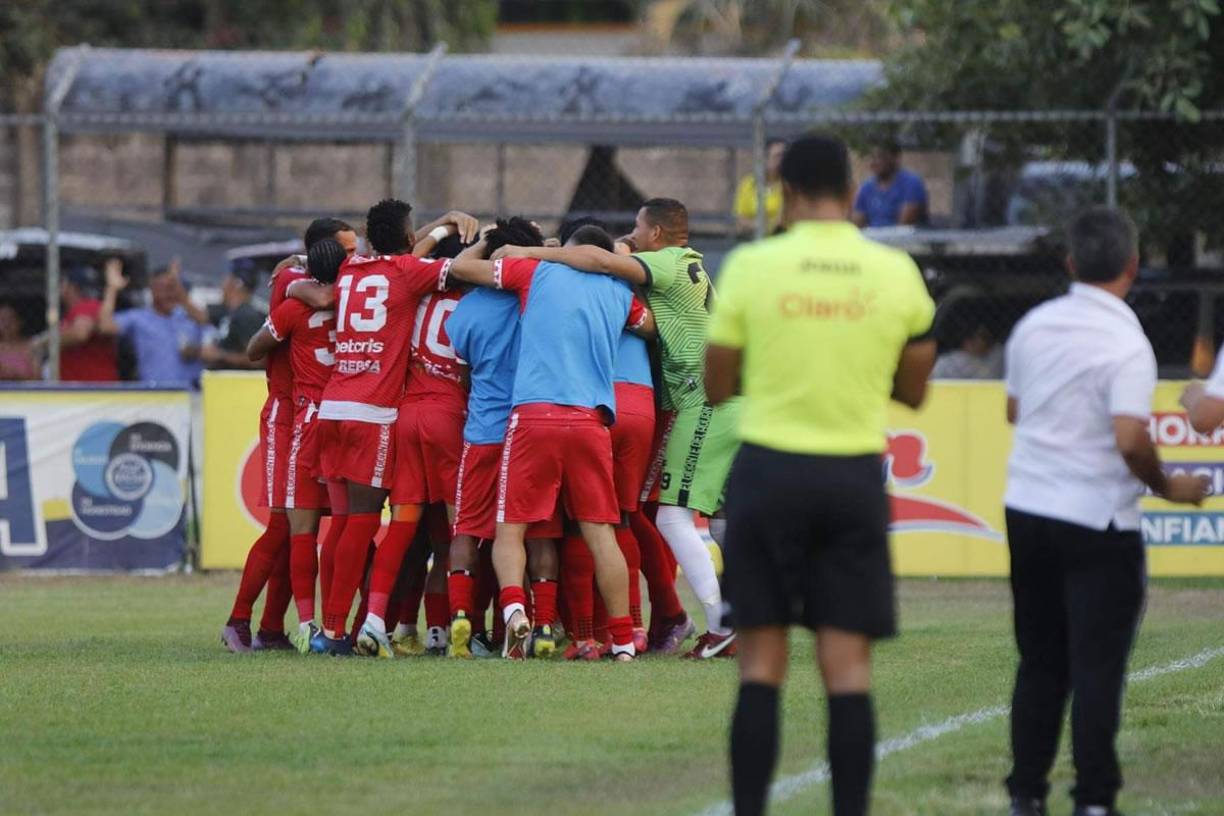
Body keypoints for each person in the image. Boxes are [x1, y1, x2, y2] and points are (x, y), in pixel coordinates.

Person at [706, 133, 938, 816]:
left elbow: (718, 384)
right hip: (852, 477)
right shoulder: (893, 269)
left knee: (759, 670)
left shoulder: (752, 264)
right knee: (848, 672)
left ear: (786, 192)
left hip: (767, 473)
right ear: (849, 188)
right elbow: (916, 385)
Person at [1002, 207, 1208, 816]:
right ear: (1133, 267)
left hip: (1029, 506)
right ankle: (1093, 799)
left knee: (1039, 661)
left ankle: (1027, 794)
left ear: (1070, 264)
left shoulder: (1034, 325)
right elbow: (1128, 437)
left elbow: (1016, 412)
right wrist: (1168, 485)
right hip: (1097, 515)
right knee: (1096, 666)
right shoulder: (1126, 341)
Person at [494, 198, 738, 659]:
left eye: (638, 228)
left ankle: (713, 623)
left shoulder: (654, 265)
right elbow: (628, 291)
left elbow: (601, 258)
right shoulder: (676, 270)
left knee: (657, 517)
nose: (632, 234)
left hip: (696, 398)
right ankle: (645, 630)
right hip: (671, 402)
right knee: (655, 517)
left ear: (658, 235)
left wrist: (534, 252)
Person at [450, 224, 654, 661]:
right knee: (602, 534)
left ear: (570, 249)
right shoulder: (620, 294)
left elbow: (466, 270)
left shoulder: (533, 273)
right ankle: (622, 641)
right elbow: (650, 327)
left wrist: (506, 245)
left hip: (533, 415)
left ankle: (515, 611)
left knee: (511, 529)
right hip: (589, 419)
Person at [308, 200, 460, 657]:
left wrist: (441, 224)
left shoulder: (353, 266)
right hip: (371, 412)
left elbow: (410, 244)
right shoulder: (409, 273)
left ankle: (334, 627)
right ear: (410, 239)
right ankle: (340, 631)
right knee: (363, 523)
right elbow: (447, 260)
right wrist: (459, 227)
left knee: (340, 526)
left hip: (331, 407)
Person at [220, 217, 358, 653]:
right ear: (325, 251)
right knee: (286, 524)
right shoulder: (294, 283)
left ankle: (272, 627)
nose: (356, 256)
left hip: (323, 413)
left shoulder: (308, 277)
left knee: (304, 526)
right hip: (288, 412)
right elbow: (267, 336)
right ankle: (241, 621)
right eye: (347, 249)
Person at [97, 261, 209, 386]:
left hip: (191, 395)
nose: (169, 293)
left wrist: (180, 293)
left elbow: (204, 320)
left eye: (172, 287)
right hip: (156, 396)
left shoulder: (188, 315)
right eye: (163, 288)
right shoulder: (139, 317)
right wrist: (112, 288)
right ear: (152, 289)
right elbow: (106, 326)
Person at [202, 260, 268, 370]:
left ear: (236, 283)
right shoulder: (231, 312)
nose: (222, 285)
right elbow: (201, 316)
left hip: (240, 384)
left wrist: (219, 355)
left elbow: (258, 360)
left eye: (227, 279)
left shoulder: (246, 315)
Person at [59, 264, 119, 381]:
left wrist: (49, 342)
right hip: (80, 388)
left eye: (62, 284)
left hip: (93, 388)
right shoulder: (72, 313)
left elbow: (80, 334)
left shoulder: (88, 306)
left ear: (70, 287)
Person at [852, 140, 928, 228]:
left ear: (896, 158)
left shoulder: (912, 183)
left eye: (880, 157)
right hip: (872, 239)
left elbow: (903, 226)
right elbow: (857, 225)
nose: (874, 162)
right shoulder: (866, 188)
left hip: (905, 240)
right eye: (872, 157)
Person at [734, 139, 785, 233]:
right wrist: (758, 225)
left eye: (785, 156)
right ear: (765, 158)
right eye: (778, 156)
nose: (782, 160)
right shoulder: (748, 184)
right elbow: (740, 218)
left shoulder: (790, 185)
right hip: (754, 239)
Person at [932, 322, 1004, 380]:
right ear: (967, 341)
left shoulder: (998, 354)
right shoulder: (947, 362)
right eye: (983, 337)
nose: (988, 341)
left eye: (988, 337)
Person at [0, 303, 39, 380]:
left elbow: (38, 378)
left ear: (19, 321)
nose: (6, 324)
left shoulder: (30, 346)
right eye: (2, 320)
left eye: (10, 319)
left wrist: (15, 374)